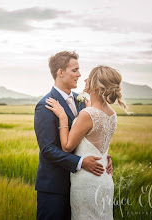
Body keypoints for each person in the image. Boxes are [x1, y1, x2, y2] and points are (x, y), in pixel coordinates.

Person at [34, 51, 113, 220]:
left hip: (82, 185)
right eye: (75, 70)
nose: (79, 74)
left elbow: (88, 136)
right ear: (60, 72)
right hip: (55, 188)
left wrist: (102, 156)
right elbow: (47, 149)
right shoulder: (45, 105)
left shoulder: (83, 101)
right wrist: (80, 162)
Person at [45, 65, 128, 219]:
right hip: (104, 177)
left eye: (89, 77)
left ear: (95, 86)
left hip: (87, 180)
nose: (84, 79)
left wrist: (62, 117)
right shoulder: (112, 114)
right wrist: (106, 156)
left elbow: (67, 146)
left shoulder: (87, 114)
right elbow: (98, 143)